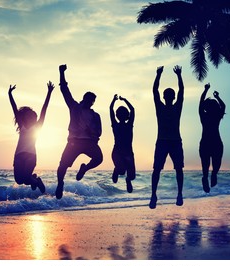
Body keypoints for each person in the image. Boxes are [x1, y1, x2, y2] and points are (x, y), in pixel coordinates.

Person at [56, 64, 103, 199]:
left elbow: (99, 132)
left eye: (92, 101)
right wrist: (61, 73)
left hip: (89, 142)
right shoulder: (74, 107)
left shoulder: (96, 115)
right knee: (62, 165)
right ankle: (60, 184)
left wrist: (91, 131)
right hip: (74, 142)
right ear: (84, 98)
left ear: (93, 102)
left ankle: (84, 169)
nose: (90, 102)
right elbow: (65, 90)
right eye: (88, 99)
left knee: (99, 158)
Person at [8, 81, 54, 193]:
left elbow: (44, 109)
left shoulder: (38, 126)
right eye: (32, 115)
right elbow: (14, 108)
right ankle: (35, 179)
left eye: (35, 116)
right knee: (19, 181)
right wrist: (10, 94)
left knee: (26, 178)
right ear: (26, 117)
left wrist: (49, 92)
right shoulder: (21, 125)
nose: (34, 117)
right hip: (18, 155)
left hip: (31, 155)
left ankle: (36, 180)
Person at [149, 65, 184, 209]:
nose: (169, 97)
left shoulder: (177, 107)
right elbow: (154, 91)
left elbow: (182, 91)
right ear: (165, 97)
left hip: (174, 141)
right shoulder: (160, 107)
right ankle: (153, 195)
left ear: (173, 97)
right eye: (167, 95)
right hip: (163, 141)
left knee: (178, 169)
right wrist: (158, 75)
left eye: (171, 95)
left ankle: (180, 194)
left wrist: (179, 75)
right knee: (157, 169)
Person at [198, 83, 225, 193]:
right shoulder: (207, 116)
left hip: (210, 142)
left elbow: (222, 107)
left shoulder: (211, 116)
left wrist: (206, 91)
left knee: (213, 164)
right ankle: (207, 177)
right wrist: (216, 96)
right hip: (212, 142)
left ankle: (211, 175)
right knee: (208, 164)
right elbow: (223, 106)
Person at [109, 94, 136, 193]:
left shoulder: (128, 125)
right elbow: (111, 110)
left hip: (128, 153)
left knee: (132, 176)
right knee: (121, 171)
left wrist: (116, 100)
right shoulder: (116, 125)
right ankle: (117, 170)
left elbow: (132, 110)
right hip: (118, 152)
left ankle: (128, 180)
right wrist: (123, 100)